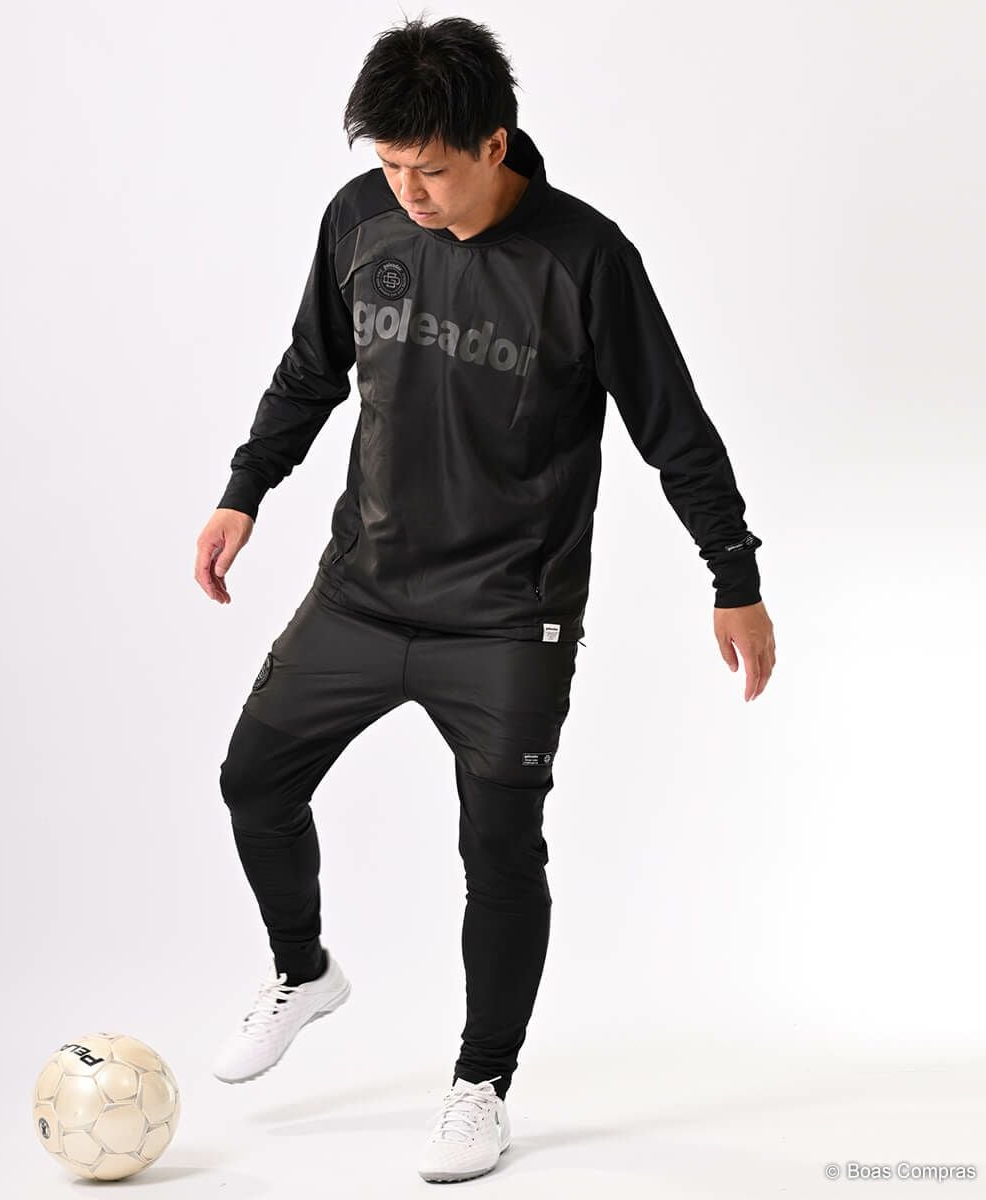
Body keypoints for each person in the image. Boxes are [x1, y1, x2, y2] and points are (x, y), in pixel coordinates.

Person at [196, 14, 776, 1185]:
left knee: (498, 850)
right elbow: (311, 368)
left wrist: (735, 577)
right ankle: (305, 972)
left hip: (511, 616)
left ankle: (481, 1085)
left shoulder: (585, 259)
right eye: (389, 166)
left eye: (431, 169)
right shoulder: (359, 222)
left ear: (495, 144)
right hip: (363, 591)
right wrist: (245, 489)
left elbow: (674, 428)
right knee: (252, 778)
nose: (407, 192)